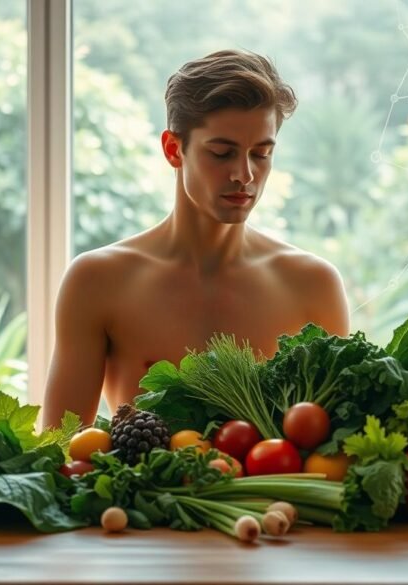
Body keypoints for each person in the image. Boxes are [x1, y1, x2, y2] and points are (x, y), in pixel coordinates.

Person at [42, 49, 350, 427]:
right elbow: (59, 448)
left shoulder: (312, 285)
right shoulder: (97, 280)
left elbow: (336, 449)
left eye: (261, 154)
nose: (244, 175)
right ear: (174, 149)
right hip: (143, 486)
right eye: (222, 153)